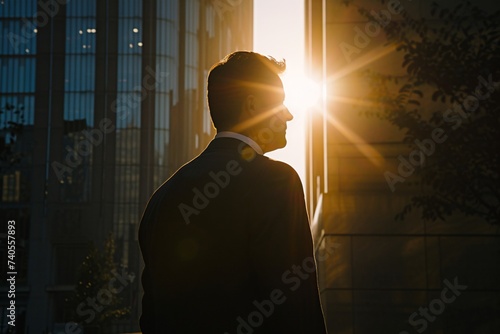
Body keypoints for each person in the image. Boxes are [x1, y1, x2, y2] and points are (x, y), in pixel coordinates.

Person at [139, 51, 327, 333]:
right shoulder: (276, 182)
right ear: (251, 105)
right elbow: (296, 306)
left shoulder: (161, 199)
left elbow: (152, 320)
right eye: (279, 103)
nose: (289, 114)